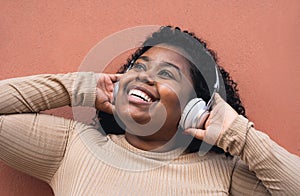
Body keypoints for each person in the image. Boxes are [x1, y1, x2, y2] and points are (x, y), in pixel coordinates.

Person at [0, 26, 299, 195]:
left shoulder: (225, 174)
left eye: (167, 74)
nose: (143, 76)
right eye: (138, 67)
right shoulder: (74, 146)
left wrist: (240, 136)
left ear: (196, 106)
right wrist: (81, 88)